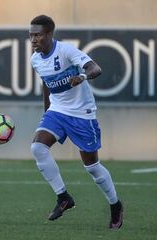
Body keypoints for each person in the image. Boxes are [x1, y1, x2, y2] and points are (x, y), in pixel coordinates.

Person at [29, 15, 123, 229]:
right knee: (37, 147)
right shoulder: (35, 59)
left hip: (82, 113)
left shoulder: (66, 51)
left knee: (92, 167)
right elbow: (46, 83)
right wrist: (47, 111)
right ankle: (63, 197)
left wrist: (82, 77)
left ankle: (115, 205)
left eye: (38, 35)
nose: (34, 39)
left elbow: (95, 69)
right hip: (57, 111)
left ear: (50, 35)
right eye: (31, 35)